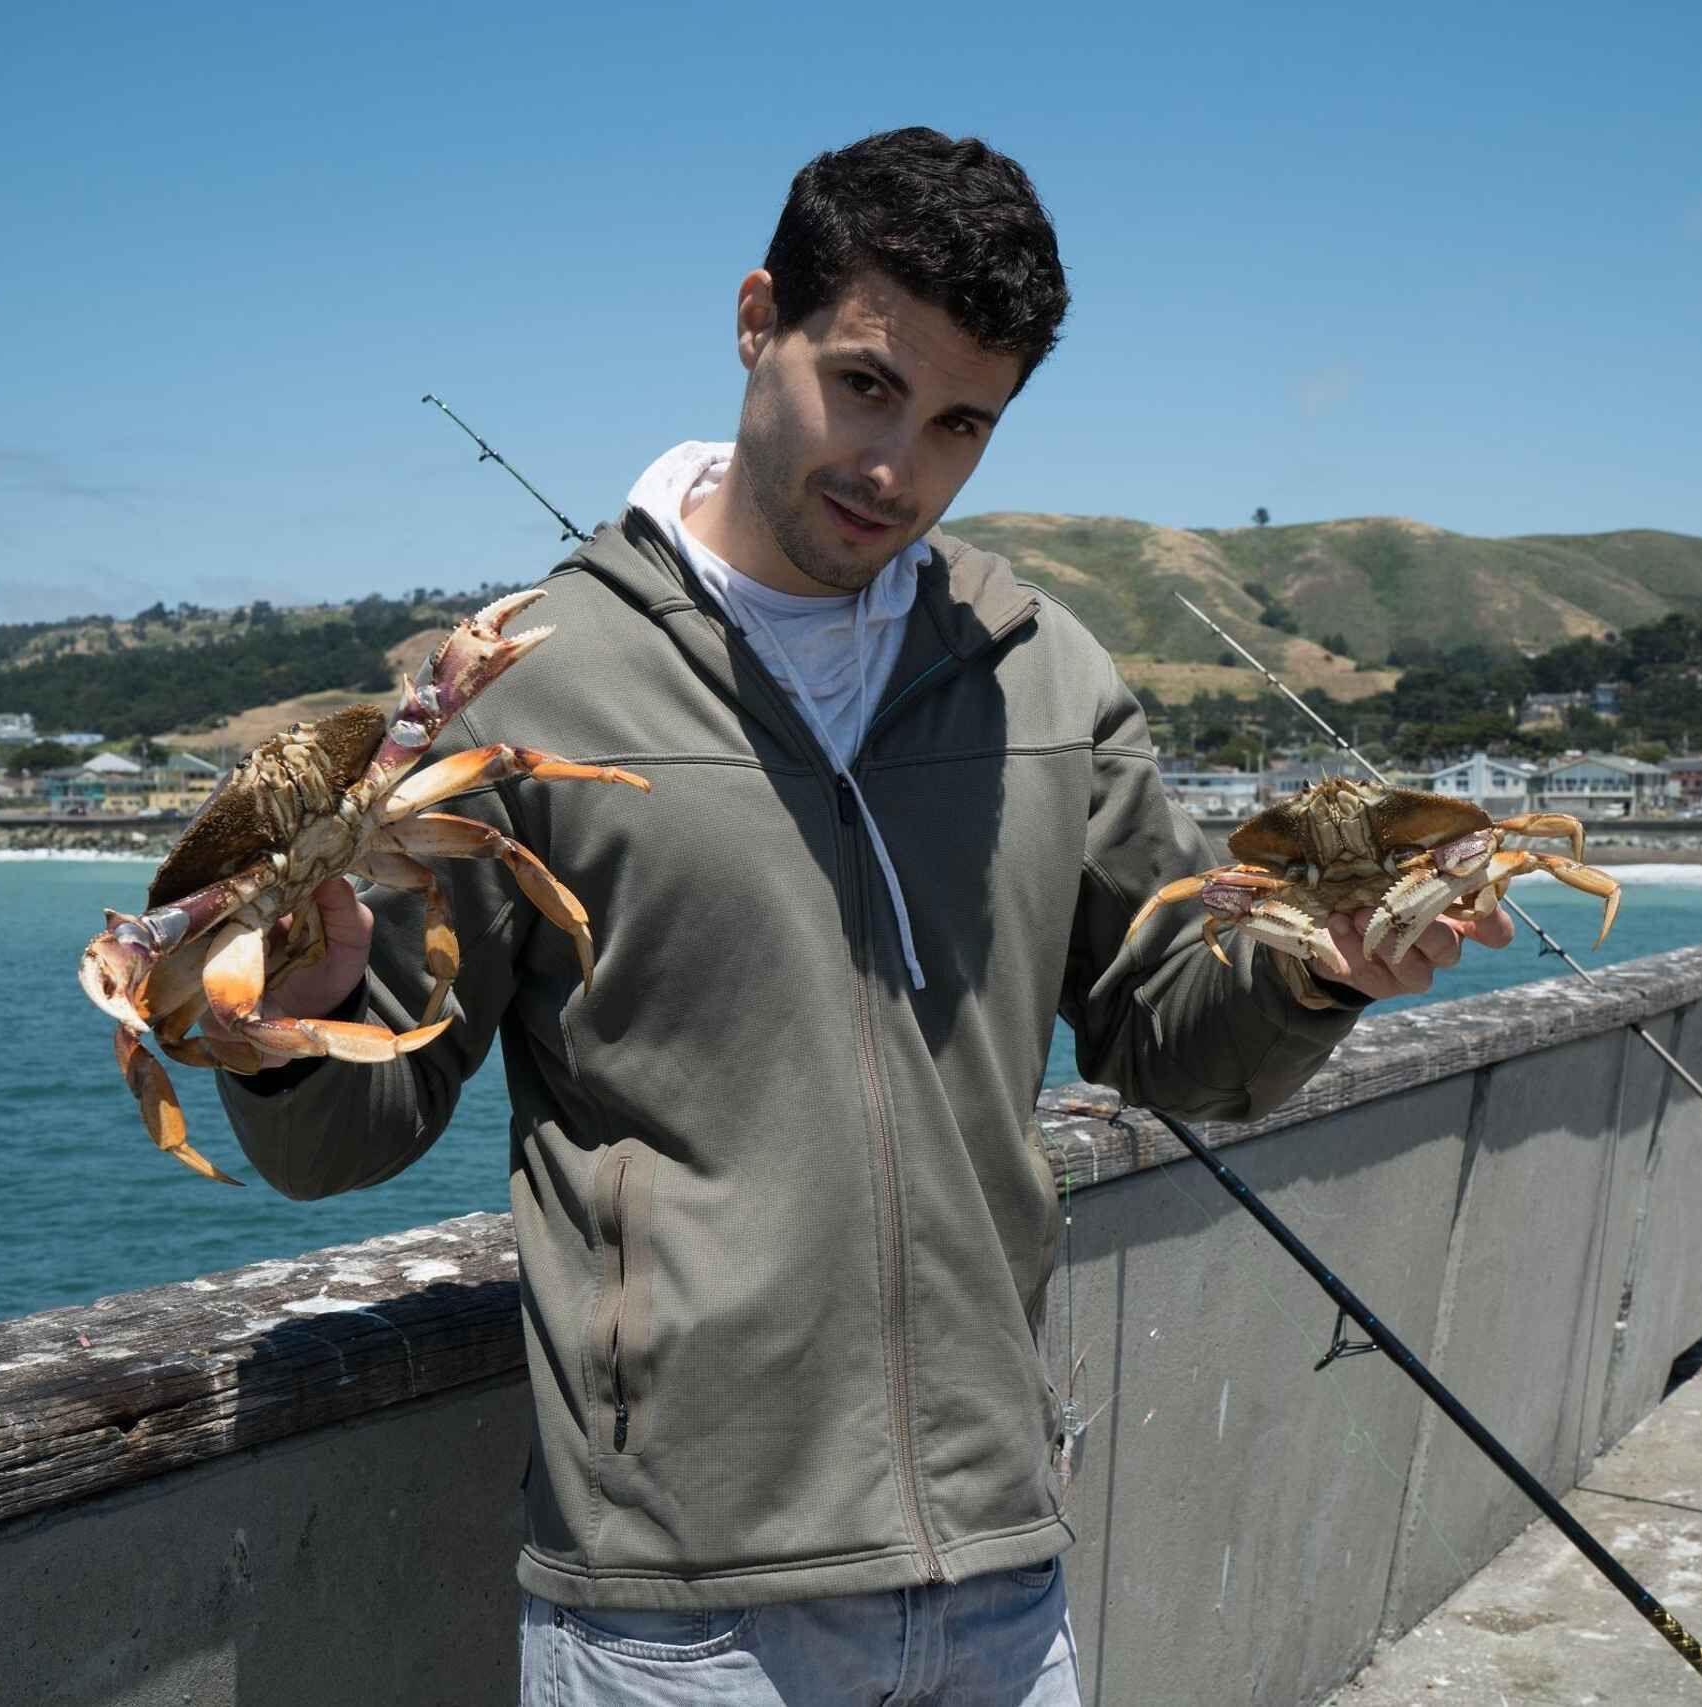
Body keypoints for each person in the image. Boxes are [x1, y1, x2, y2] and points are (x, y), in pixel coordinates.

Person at [216, 127, 1510, 1707]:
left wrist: (1321, 977)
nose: (900, 467)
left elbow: (1172, 1035)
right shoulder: (526, 684)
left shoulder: (1045, 676)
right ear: (759, 319)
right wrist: (282, 1017)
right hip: (675, 1610)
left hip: (1001, 1569)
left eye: (964, 422)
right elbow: (352, 1126)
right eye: (866, 385)